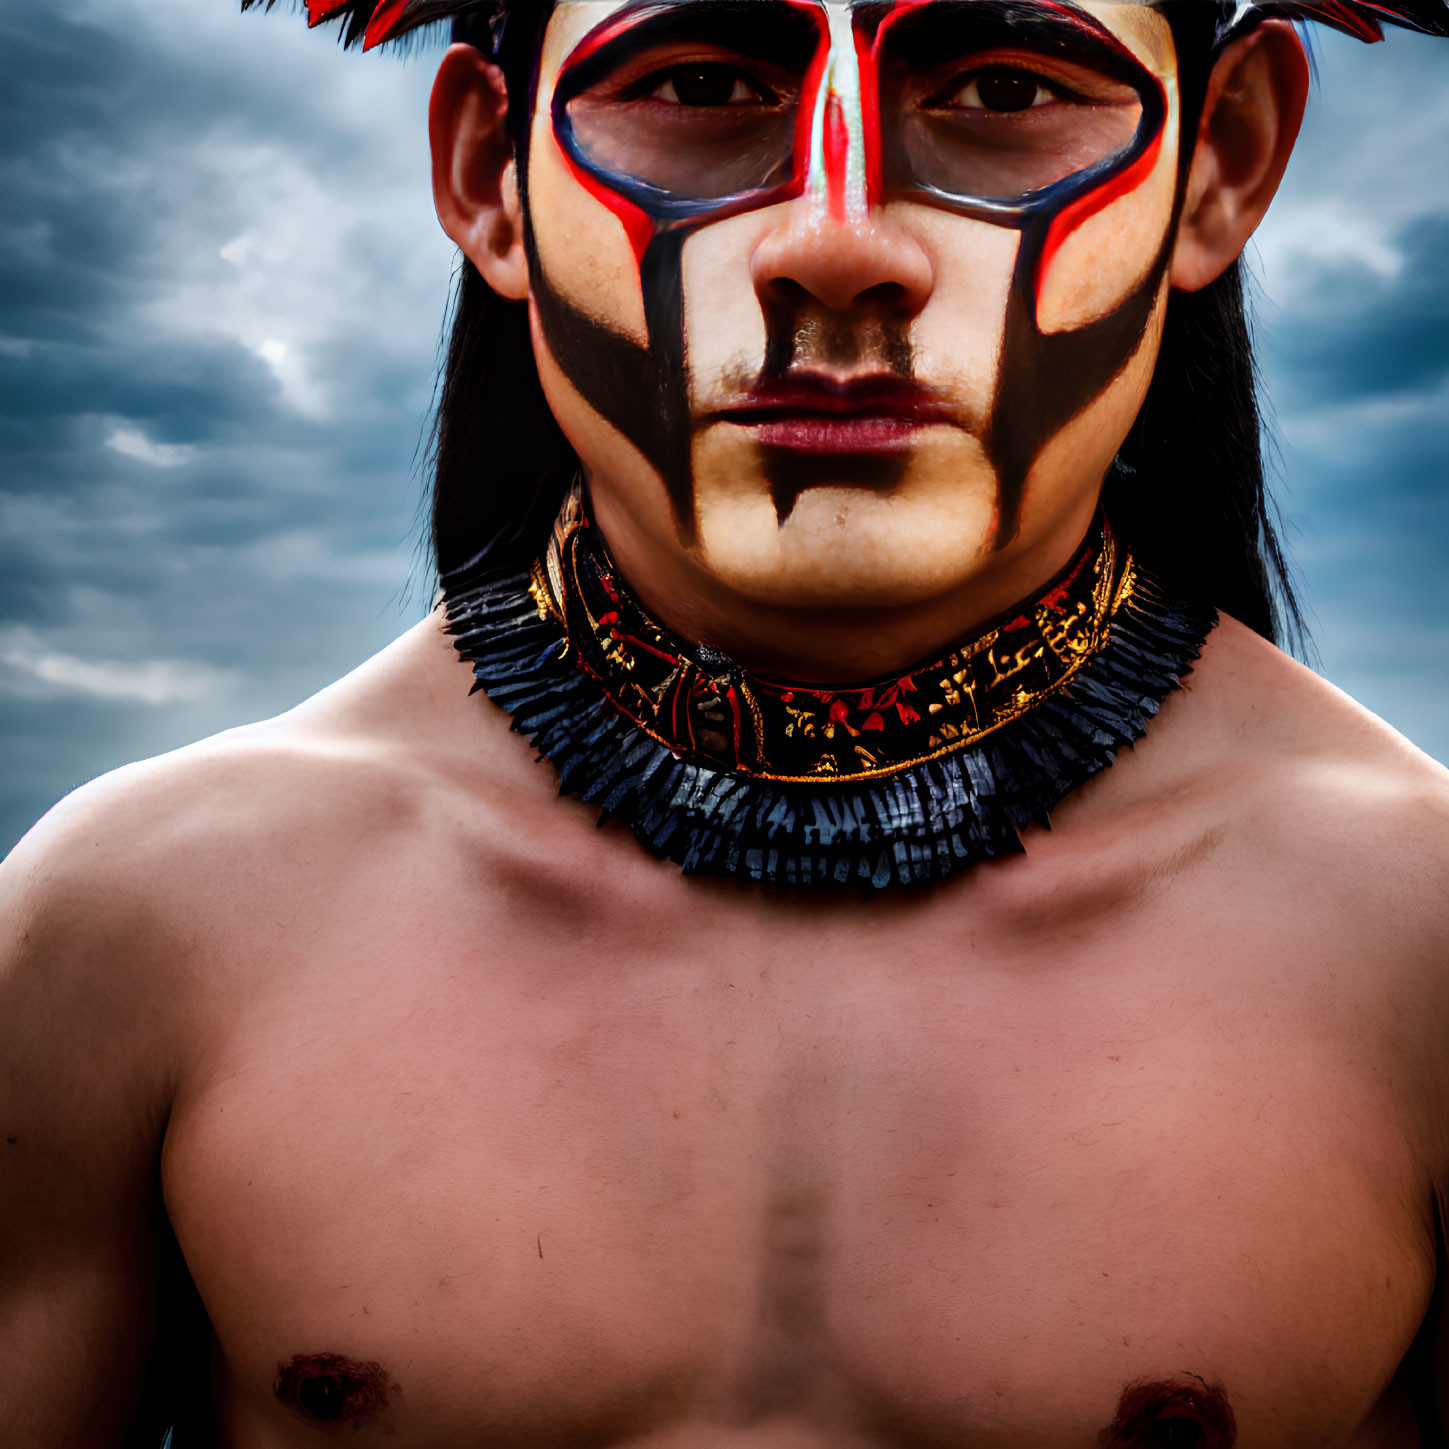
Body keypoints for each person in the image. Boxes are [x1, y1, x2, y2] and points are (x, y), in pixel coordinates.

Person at [3, 0, 1448, 1443]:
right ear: (488, 174)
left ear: (1223, 162)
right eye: (697, 82)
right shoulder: (142, 929)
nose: (833, 243)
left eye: (1007, 87)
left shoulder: (1412, 951)